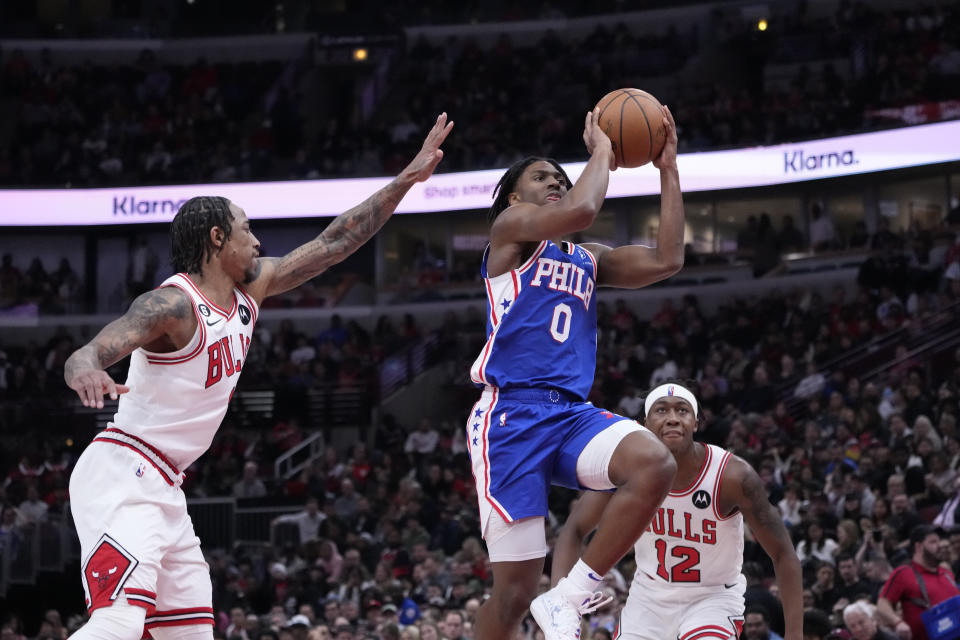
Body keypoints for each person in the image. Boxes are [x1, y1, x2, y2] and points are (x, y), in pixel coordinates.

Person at [62, 113, 453, 640]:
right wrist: (88, 371)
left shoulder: (252, 289)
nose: (258, 241)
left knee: (192, 634)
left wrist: (405, 180)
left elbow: (336, 242)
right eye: (247, 230)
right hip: (122, 473)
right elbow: (90, 351)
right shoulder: (172, 305)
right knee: (120, 621)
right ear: (218, 238)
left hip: (166, 485)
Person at [467, 106, 683, 640]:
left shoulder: (588, 258)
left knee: (654, 462)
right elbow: (585, 208)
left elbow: (668, 260)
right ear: (516, 197)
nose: (557, 182)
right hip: (510, 417)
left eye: (561, 177)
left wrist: (668, 169)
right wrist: (603, 151)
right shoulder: (510, 231)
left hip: (569, 413)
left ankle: (569, 593)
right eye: (542, 177)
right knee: (514, 592)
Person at [553, 382, 803, 640]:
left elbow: (783, 553)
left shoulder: (732, 476)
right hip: (647, 598)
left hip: (712, 597)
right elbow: (574, 529)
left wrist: (795, 636)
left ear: (696, 423)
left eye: (682, 411)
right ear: (644, 424)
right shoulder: (626, 472)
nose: (672, 419)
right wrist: (560, 606)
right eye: (661, 410)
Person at [877, 524, 960, 640]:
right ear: (918, 547)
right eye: (933, 542)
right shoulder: (904, 573)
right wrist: (898, 622)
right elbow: (882, 604)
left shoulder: (946, 573)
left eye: (939, 541)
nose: (939, 545)